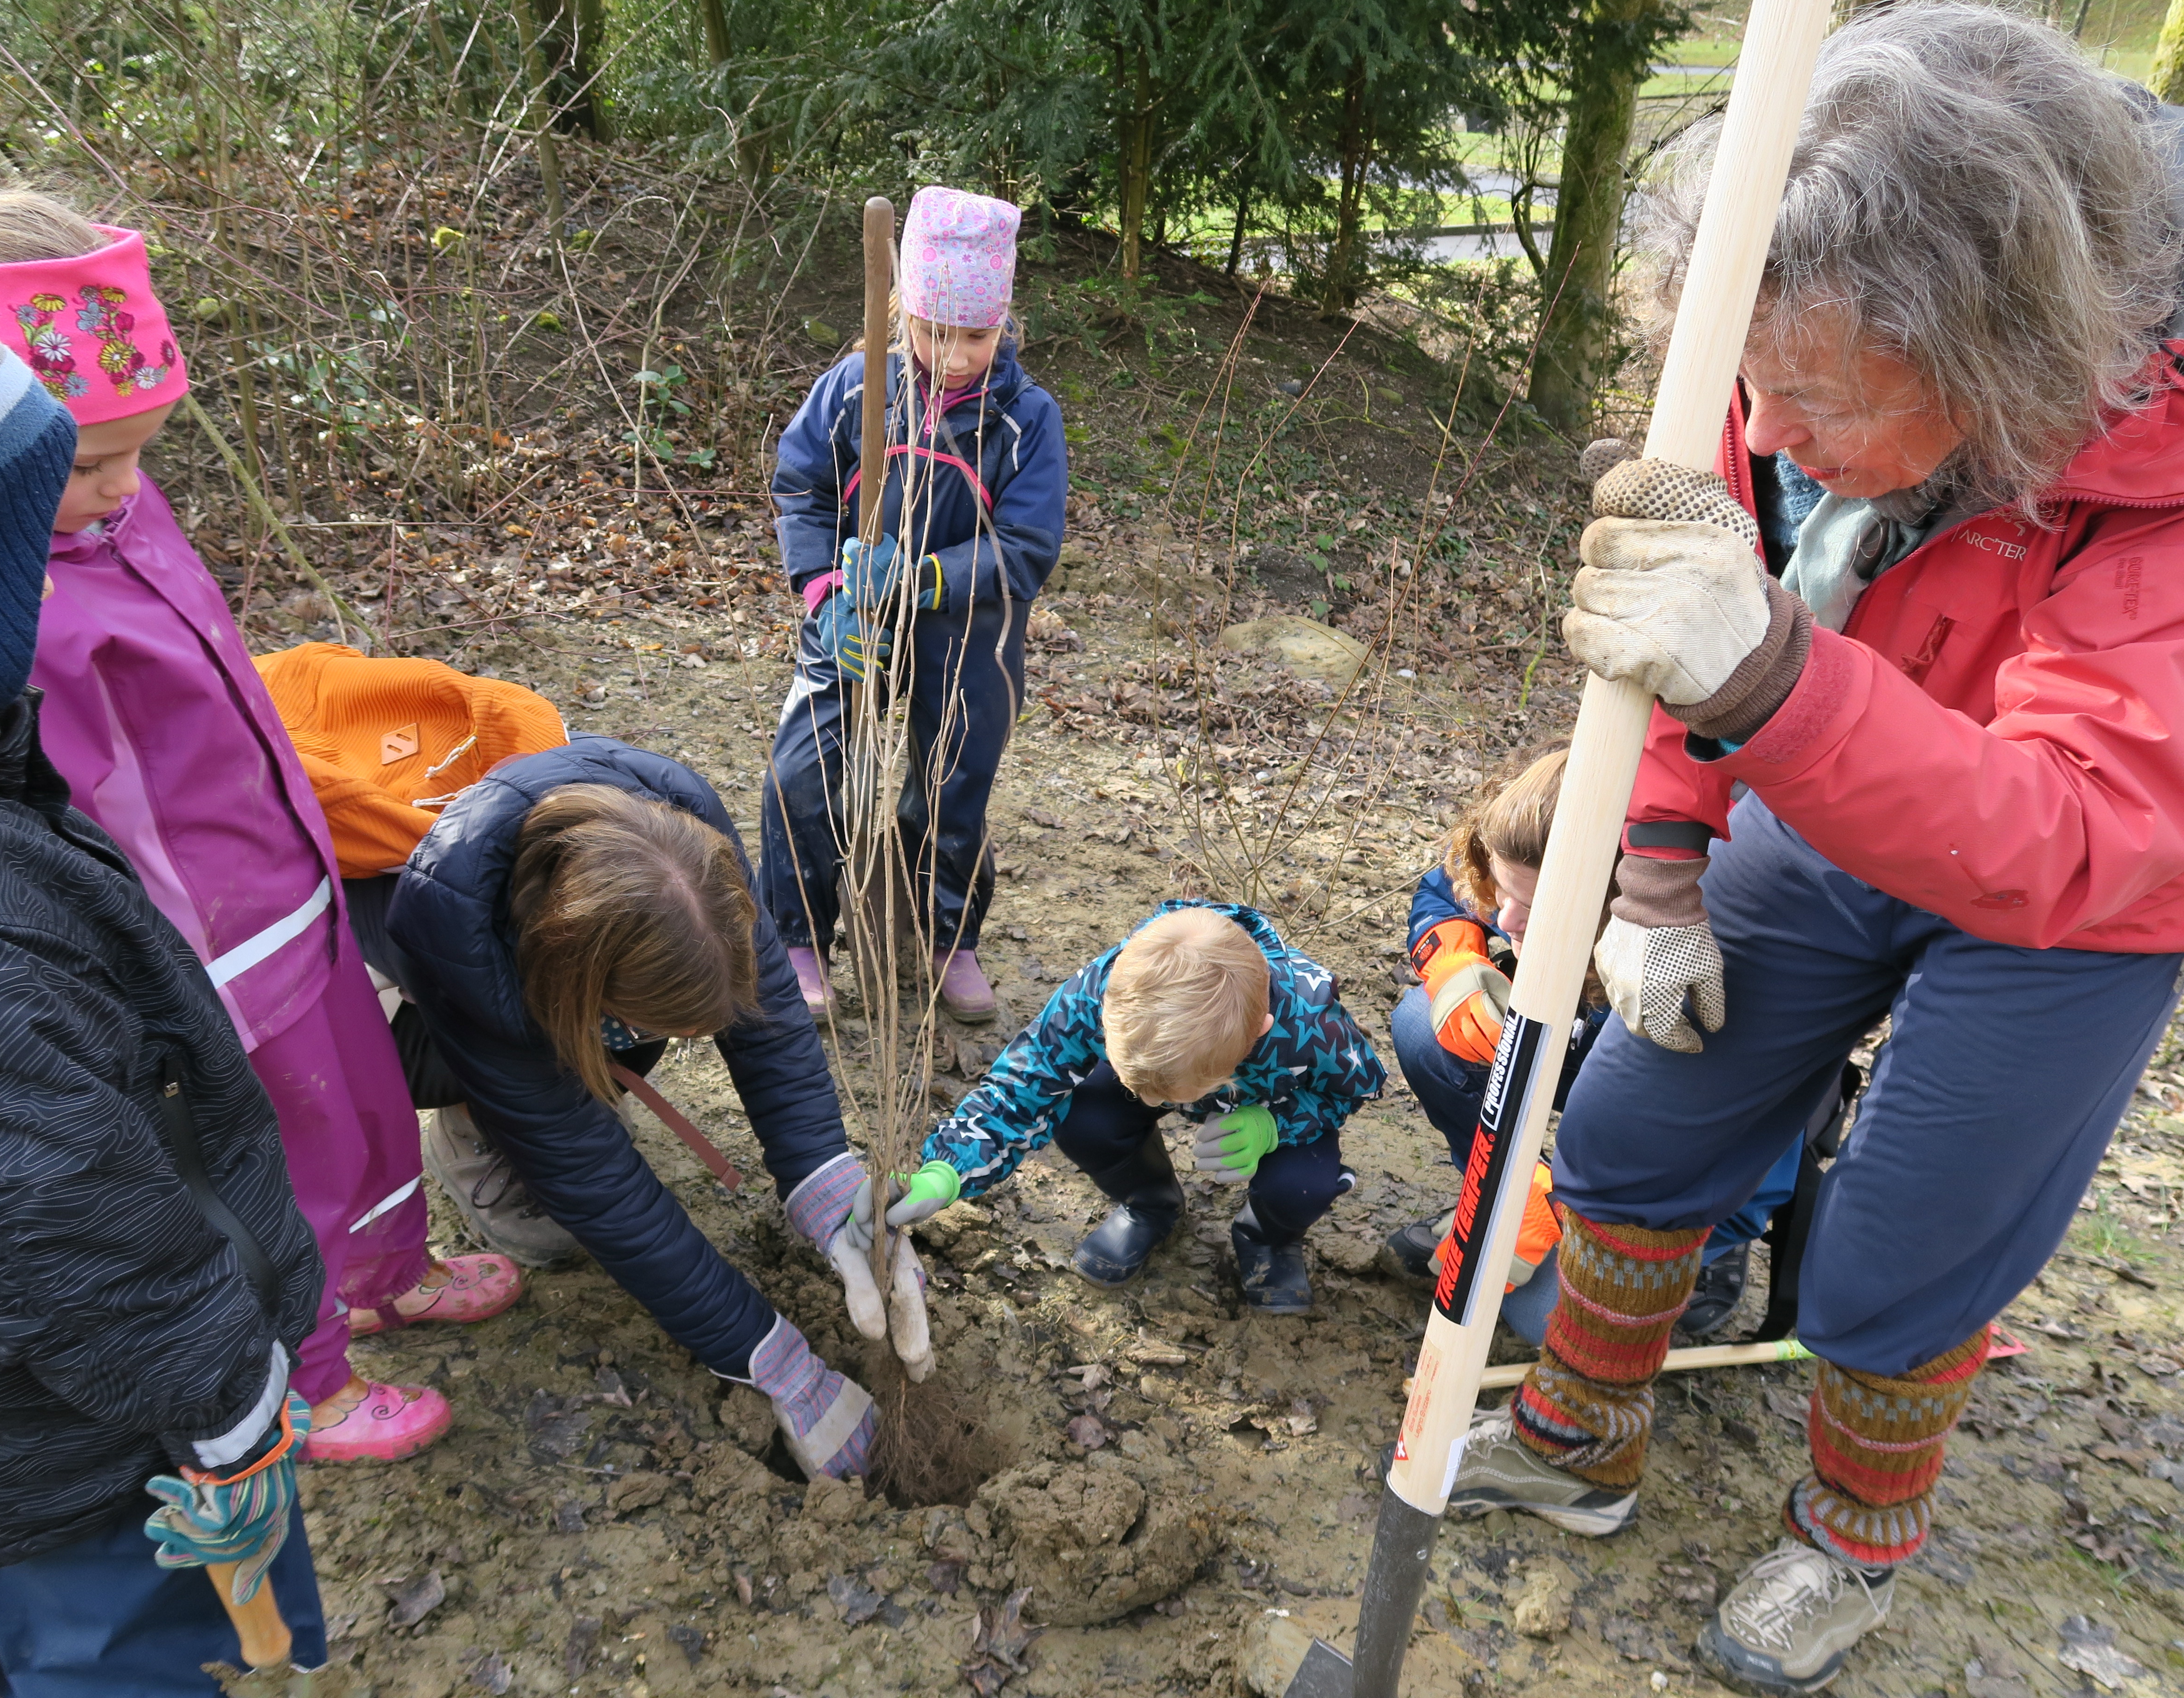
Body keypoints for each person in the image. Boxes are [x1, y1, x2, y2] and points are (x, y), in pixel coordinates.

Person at [1445, 12, 2184, 1693]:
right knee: (1638, 1121)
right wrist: (1653, 869)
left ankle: (1854, 1534)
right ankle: (1577, 1434)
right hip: (1831, 775)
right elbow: (1690, 575)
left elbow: (2068, 830)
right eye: (1749, 381)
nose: (1767, 435)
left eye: (1825, 402)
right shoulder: (1782, 291)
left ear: (1995, 366)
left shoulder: (2159, 464)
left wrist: (1769, 673)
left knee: (1910, 1236)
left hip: (2086, 888)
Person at [0, 191, 519, 1465]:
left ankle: (390, 1273)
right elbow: (77, 807)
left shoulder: (124, 515)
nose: (122, 486)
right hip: (198, 938)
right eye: (85, 465)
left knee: (359, 1097)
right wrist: (163, 965)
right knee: (272, 1146)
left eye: (141, 451)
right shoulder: (8, 613)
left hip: (283, 878)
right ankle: (309, 1373)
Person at [0, 286, 325, 1694]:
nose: (45, 584)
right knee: (133, 1661)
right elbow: (58, 1228)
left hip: (107, 1408)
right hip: (88, 1457)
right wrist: (225, 1402)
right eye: (7, 558)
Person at [343, 735, 932, 1476]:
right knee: (404, 1076)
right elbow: (600, 1190)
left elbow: (765, 1006)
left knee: (656, 1014)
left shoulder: (682, 836)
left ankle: (587, 1049)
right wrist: (766, 1354)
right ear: (567, 982)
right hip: (377, 990)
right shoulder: (455, 935)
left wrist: (823, 1177)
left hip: (546, 968)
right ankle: (477, 1122)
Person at [761, 185, 1067, 1026]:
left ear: (1002, 324)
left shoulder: (1026, 421)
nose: (956, 353)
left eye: (976, 334)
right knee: (805, 761)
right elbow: (802, 491)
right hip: (855, 613)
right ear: (903, 315)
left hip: (971, 623)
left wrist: (926, 580)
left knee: (956, 769)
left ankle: (944, 933)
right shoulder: (853, 390)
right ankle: (795, 936)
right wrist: (826, 593)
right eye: (935, 331)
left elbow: (1028, 546)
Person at [1382, 744, 1802, 1342]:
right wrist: (1450, 958)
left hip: (1685, 1180)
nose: (1506, 923)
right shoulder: (1523, 866)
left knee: (1549, 1323)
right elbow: (1443, 888)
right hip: (1582, 1064)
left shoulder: (1694, 993)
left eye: (1537, 908)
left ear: (1623, 902)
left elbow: (1725, 1162)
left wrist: (1566, 1205)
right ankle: (1498, 1191)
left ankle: (1697, 1262)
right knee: (1426, 1024)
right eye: (1503, 894)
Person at [869, 900, 1386, 1313]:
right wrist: (946, 1172)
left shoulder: (1308, 1020)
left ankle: (1268, 1237)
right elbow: (1024, 1082)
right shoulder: (1109, 986)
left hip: (1275, 1101)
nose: (1148, 1104)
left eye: (1163, 1094)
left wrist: (1273, 1125)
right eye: (1140, 1085)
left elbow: (1357, 1086)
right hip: (1182, 1069)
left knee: (1303, 1185)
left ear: (1258, 1035)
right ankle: (1150, 1204)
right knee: (1086, 1116)